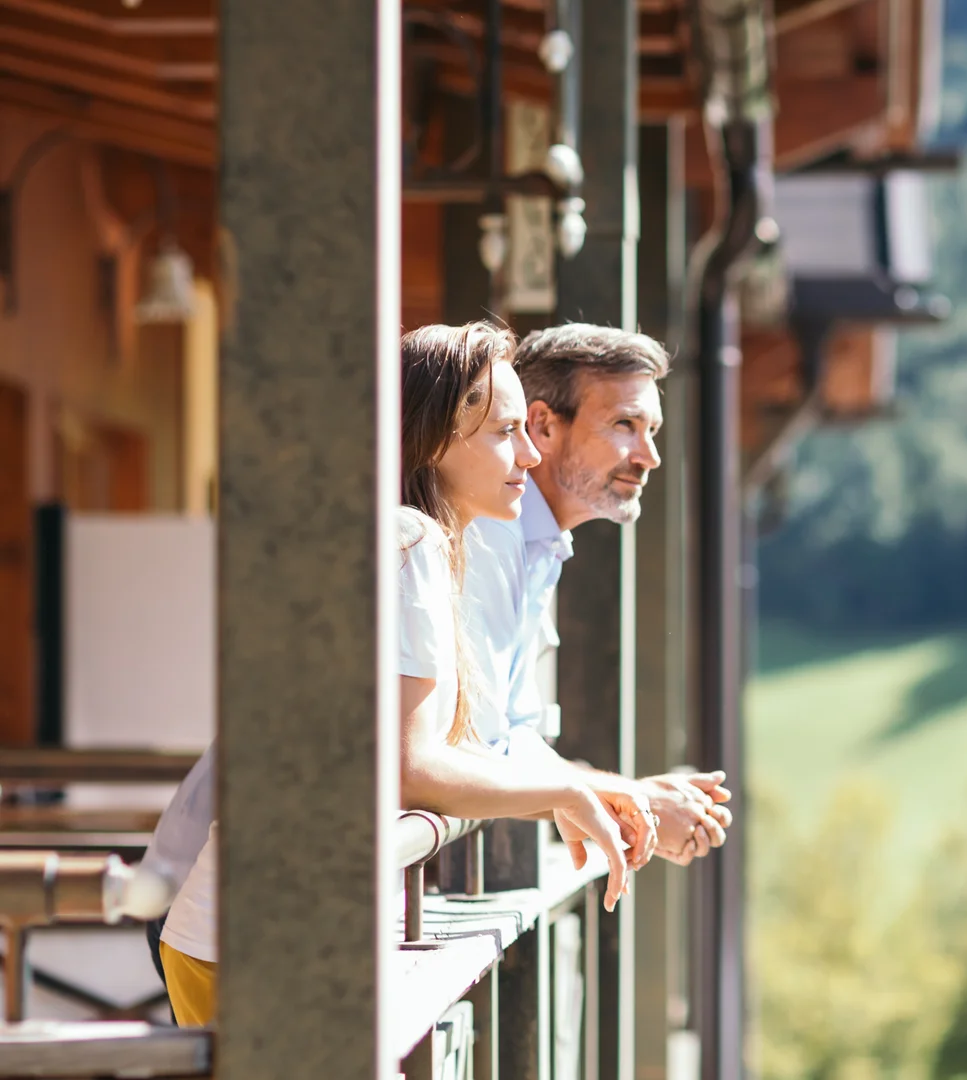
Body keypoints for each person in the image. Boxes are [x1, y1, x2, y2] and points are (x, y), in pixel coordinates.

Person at [155, 323, 650, 1027]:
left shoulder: (423, 543)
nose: (530, 454)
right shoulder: (412, 543)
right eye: (504, 432)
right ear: (435, 438)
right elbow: (413, 769)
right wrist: (567, 790)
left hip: (273, 928)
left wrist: (574, 790)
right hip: (265, 936)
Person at [465, 321, 732, 865]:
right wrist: (631, 799)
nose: (649, 456)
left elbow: (513, 739)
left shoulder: (536, 543)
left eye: (651, 429)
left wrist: (627, 796)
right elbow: (481, 751)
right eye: (625, 425)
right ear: (542, 425)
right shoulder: (489, 536)